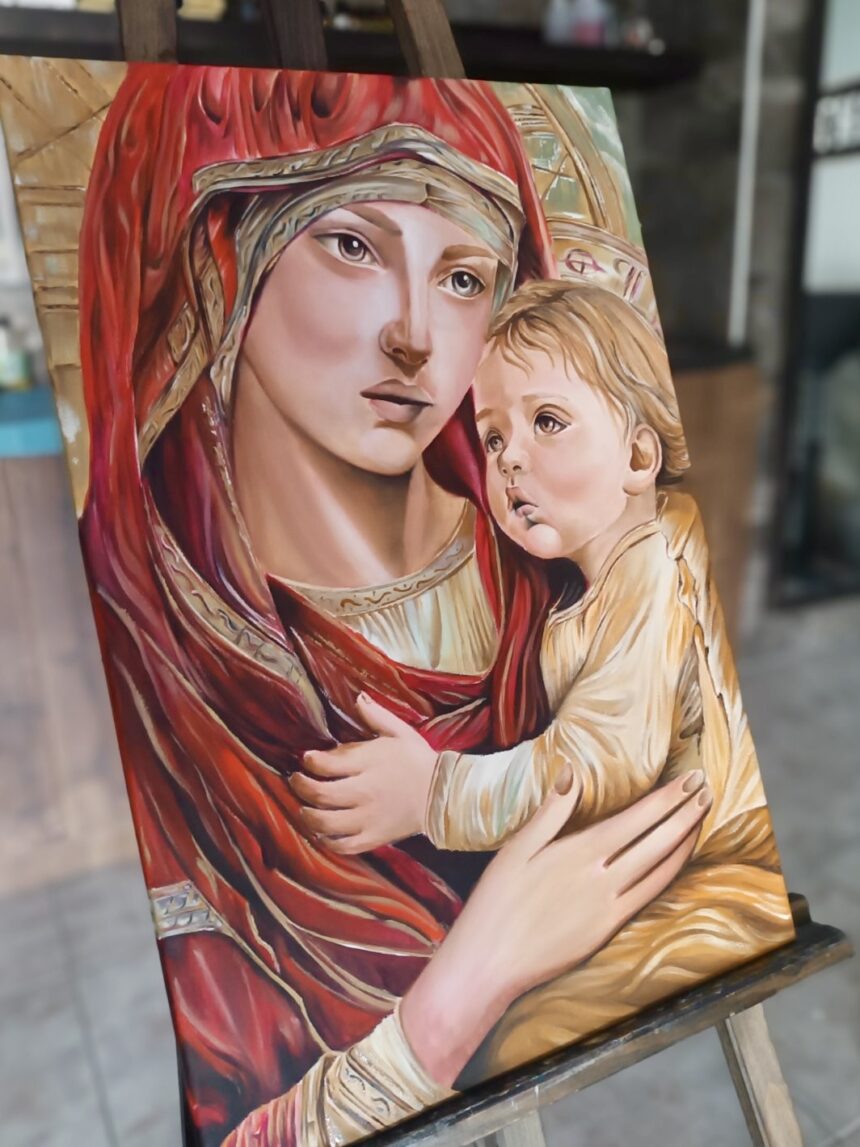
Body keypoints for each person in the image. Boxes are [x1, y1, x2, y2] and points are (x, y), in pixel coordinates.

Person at [79, 66, 712, 1146]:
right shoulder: (152, 652)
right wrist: (458, 994)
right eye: (352, 247)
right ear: (220, 266)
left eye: (464, 278)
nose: (415, 335)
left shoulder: (572, 560)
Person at [296, 280, 795, 1078]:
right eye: (492, 438)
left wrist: (432, 794)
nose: (510, 458)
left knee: (510, 1042)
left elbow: (594, 769)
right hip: (662, 878)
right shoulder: (596, 587)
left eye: (547, 422)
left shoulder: (649, 574)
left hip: (700, 893)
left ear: (639, 456)